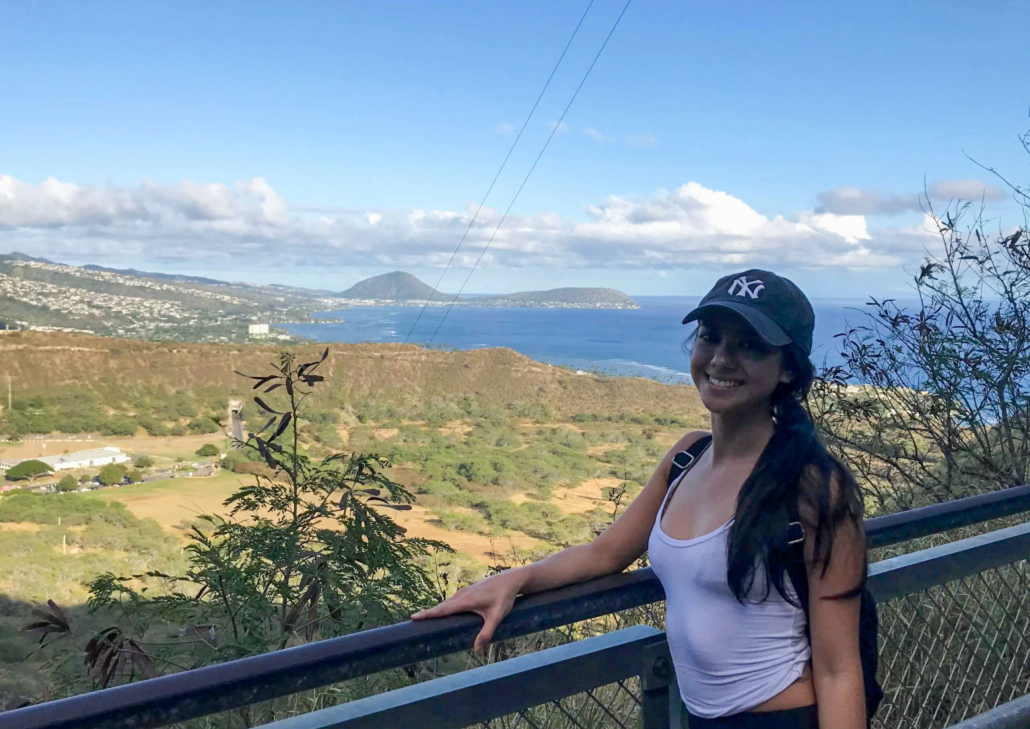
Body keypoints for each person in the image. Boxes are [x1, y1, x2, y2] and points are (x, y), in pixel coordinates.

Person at [412, 270, 868, 729]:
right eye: (711, 337)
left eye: (749, 345)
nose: (722, 359)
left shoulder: (813, 489)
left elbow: (838, 670)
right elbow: (605, 553)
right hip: (698, 717)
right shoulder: (687, 457)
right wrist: (516, 579)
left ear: (787, 368)